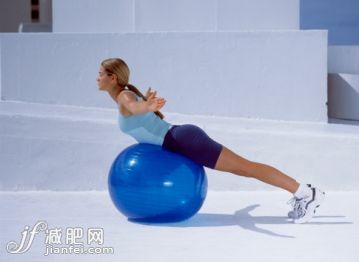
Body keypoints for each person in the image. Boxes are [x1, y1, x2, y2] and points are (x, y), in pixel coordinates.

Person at [97, 57, 325, 224]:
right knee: (245, 168)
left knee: (246, 168)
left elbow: (134, 107)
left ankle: (305, 193)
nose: (97, 78)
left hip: (183, 140)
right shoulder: (125, 95)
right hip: (179, 139)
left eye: (100, 74)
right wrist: (146, 106)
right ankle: (303, 192)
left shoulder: (124, 96)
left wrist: (146, 106)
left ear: (112, 77)